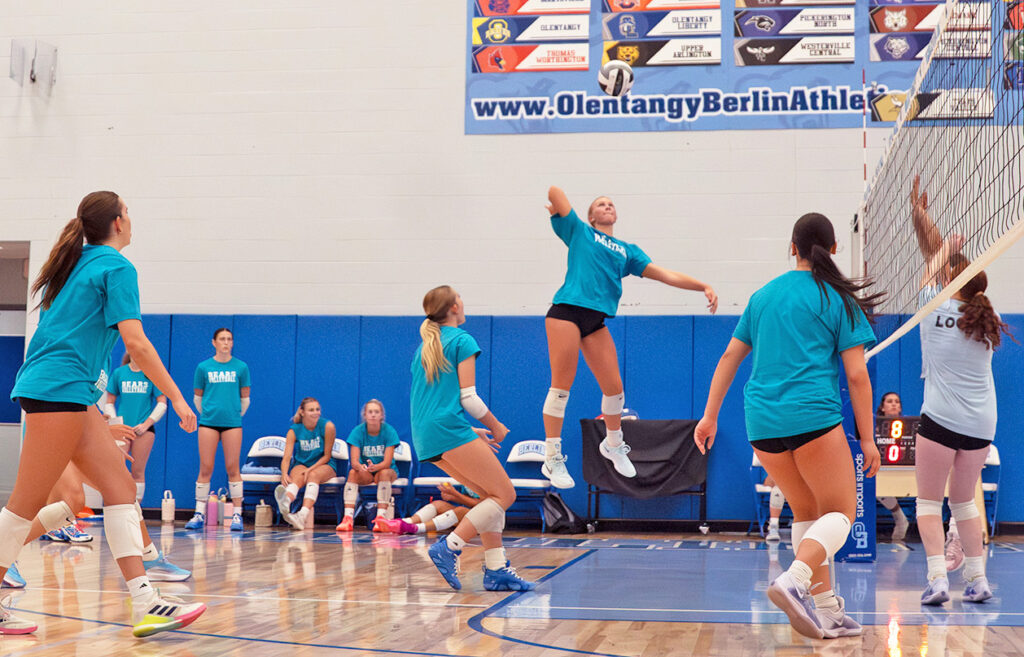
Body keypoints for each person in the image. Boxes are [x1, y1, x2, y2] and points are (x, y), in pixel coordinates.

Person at [1, 191, 205, 636]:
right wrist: (177, 398)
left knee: (120, 489)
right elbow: (136, 344)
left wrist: (100, 419)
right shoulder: (115, 267)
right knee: (25, 505)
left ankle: (146, 602)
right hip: (57, 390)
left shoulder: (75, 263)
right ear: (116, 223)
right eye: (127, 212)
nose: (131, 219)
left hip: (70, 392)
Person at [695, 212, 882, 640]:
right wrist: (868, 438)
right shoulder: (838, 298)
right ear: (833, 249)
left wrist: (709, 416)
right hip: (812, 417)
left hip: (761, 423)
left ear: (792, 248)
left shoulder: (762, 296)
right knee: (842, 514)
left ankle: (828, 610)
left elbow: (729, 357)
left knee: (807, 512)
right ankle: (794, 580)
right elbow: (857, 376)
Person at [541, 187, 718, 488]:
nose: (607, 206)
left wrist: (702, 286)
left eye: (611, 203)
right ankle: (552, 457)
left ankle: (612, 444)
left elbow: (664, 274)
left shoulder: (627, 251)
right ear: (591, 215)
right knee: (561, 388)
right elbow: (554, 192)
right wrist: (560, 208)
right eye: (601, 204)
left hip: (596, 320)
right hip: (566, 312)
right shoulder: (580, 232)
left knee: (615, 392)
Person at [910, 175, 1012, 605]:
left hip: (940, 419)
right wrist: (925, 221)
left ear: (952, 281)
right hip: (980, 425)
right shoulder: (986, 319)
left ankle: (938, 580)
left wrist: (936, 234)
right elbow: (937, 262)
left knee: (928, 504)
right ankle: (978, 580)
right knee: (965, 503)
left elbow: (930, 266)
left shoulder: (934, 311)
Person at [411, 285, 534, 591]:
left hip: (428, 434)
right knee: (506, 495)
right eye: (460, 298)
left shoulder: (425, 346)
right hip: (448, 430)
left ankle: (496, 569)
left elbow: (433, 400)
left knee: (490, 497)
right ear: (454, 307)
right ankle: (450, 546)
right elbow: (469, 398)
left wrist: (468, 430)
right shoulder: (462, 340)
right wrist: (495, 425)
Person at [187, 327, 251, 531]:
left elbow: (245, 399)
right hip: (208, 423)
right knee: (205, 467)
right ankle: (199, 513)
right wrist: (209, 413)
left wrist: (233, 414)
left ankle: (237, 514)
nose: (226, 342)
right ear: (214, 342)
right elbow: (197, 398)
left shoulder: (241, 367)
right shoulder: (203, 367)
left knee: (233, 468)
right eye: (222, 339)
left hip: (232, 423)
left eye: (229, 339)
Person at [104, 352, 168, 504]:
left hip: (143, 430)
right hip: (122, 429)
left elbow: (162, 403)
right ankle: (116, 504)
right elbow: (109, 402)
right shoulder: (119, 373)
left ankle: (135, 508)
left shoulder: (151, 374)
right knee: (117, 468)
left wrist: (147, 424)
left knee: (138, 471)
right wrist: (116, 423)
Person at [274, 397, 338, 530]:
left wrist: (311, 469)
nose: (316, 413)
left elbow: (327, 456)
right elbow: (286, 457)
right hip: (302, 463)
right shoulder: (294, 430)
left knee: (312, 475)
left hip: (325, 465)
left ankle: (302, 515)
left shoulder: (328, 426)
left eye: (317, 409)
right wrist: (284, 473)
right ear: (302, 412)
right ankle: (286, 501)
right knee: (297, 477)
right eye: (311, 410)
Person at [337, 399, 400, 532]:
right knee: (352, 473)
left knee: (384, 473)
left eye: (376, 412)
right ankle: (348, 518)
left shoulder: (389, 431)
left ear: (382, 415)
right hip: (366, 471)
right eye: (370, 412)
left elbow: (387, 462)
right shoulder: (357, 431)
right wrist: (361, 467)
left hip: (386, 470)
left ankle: (380, 519)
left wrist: (375, 467)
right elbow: (354, 461)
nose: (373, 415)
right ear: (364, 415)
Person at [875, 391, 911, 541]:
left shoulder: (910, 427)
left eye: (897, 401)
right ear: (882, 407)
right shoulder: (874, 428)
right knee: (875, 483)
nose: (894, 404)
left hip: (908, 471)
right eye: (889, 401)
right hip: (882, 472)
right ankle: (900, 518)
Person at [379, 482, 479, 535]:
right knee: (438, 504)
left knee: (460, 511)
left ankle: (416, 528)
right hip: (471, 516)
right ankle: (404, 522)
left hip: (484, 521)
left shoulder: (483, 475)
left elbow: (482, 505)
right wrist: (452, 497)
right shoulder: (466, 476)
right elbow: (468, 501)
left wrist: (455, 494)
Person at [763, 473, 786, 543]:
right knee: (777, 490)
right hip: (783, 487)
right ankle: (773, 526)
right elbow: (768, 484)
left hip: (801, 488)